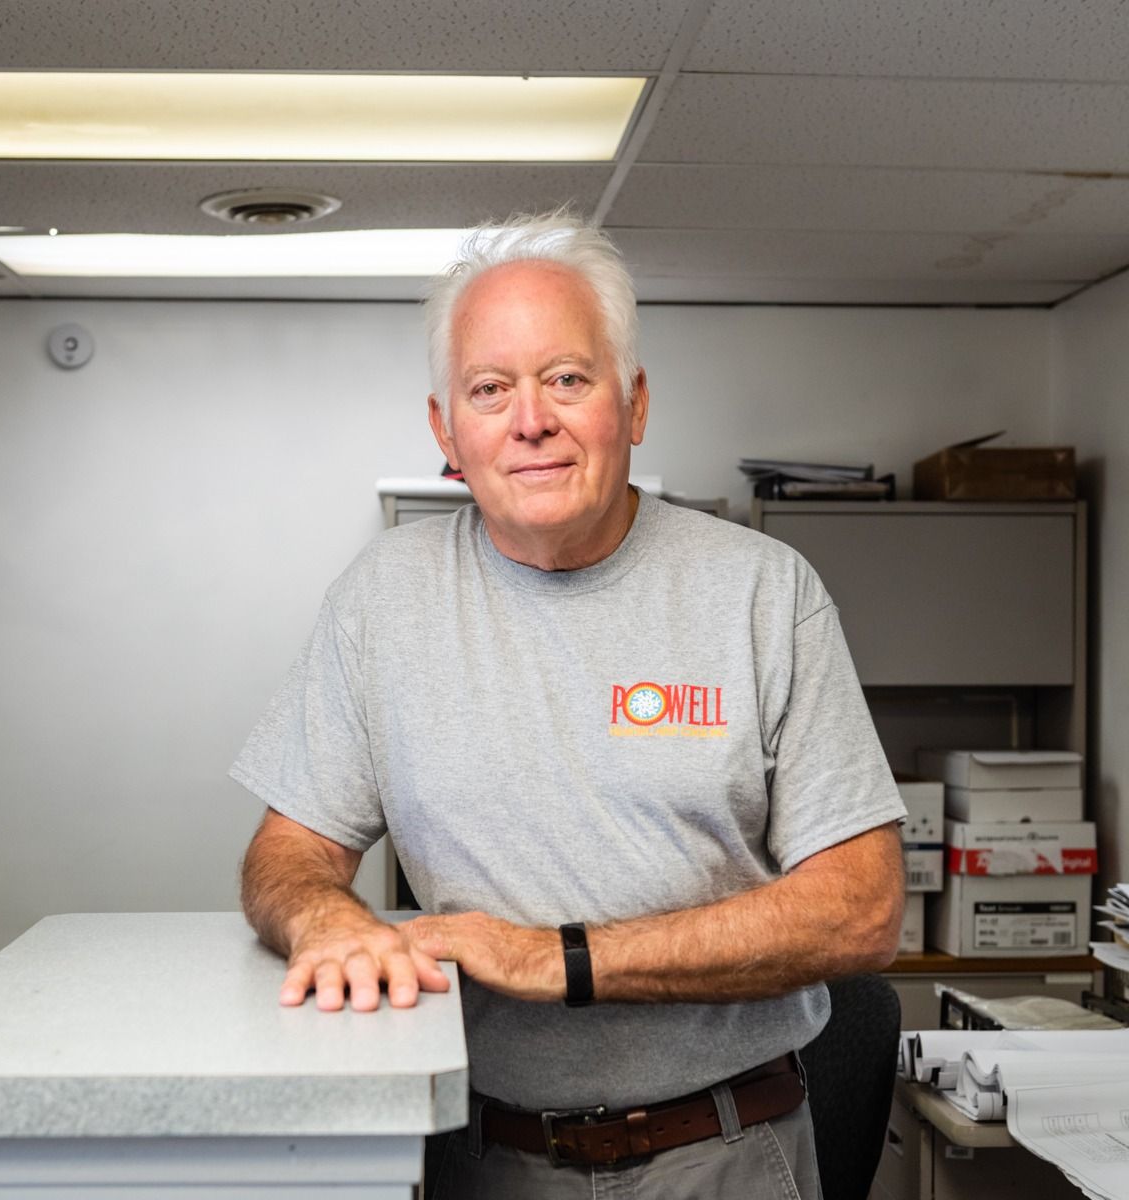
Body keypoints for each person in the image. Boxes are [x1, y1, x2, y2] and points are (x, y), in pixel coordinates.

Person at [231, 210, 907, 1198]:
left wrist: (561, 959)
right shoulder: (383, 600)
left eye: (566, 380)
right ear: (446, 431)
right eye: (490, 389)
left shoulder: (763, 592)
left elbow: (862, 910)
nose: (530, 420)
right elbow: (286, 853)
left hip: (724, 1152)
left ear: (634, 404)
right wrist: (323, 920)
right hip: (479, 1158)